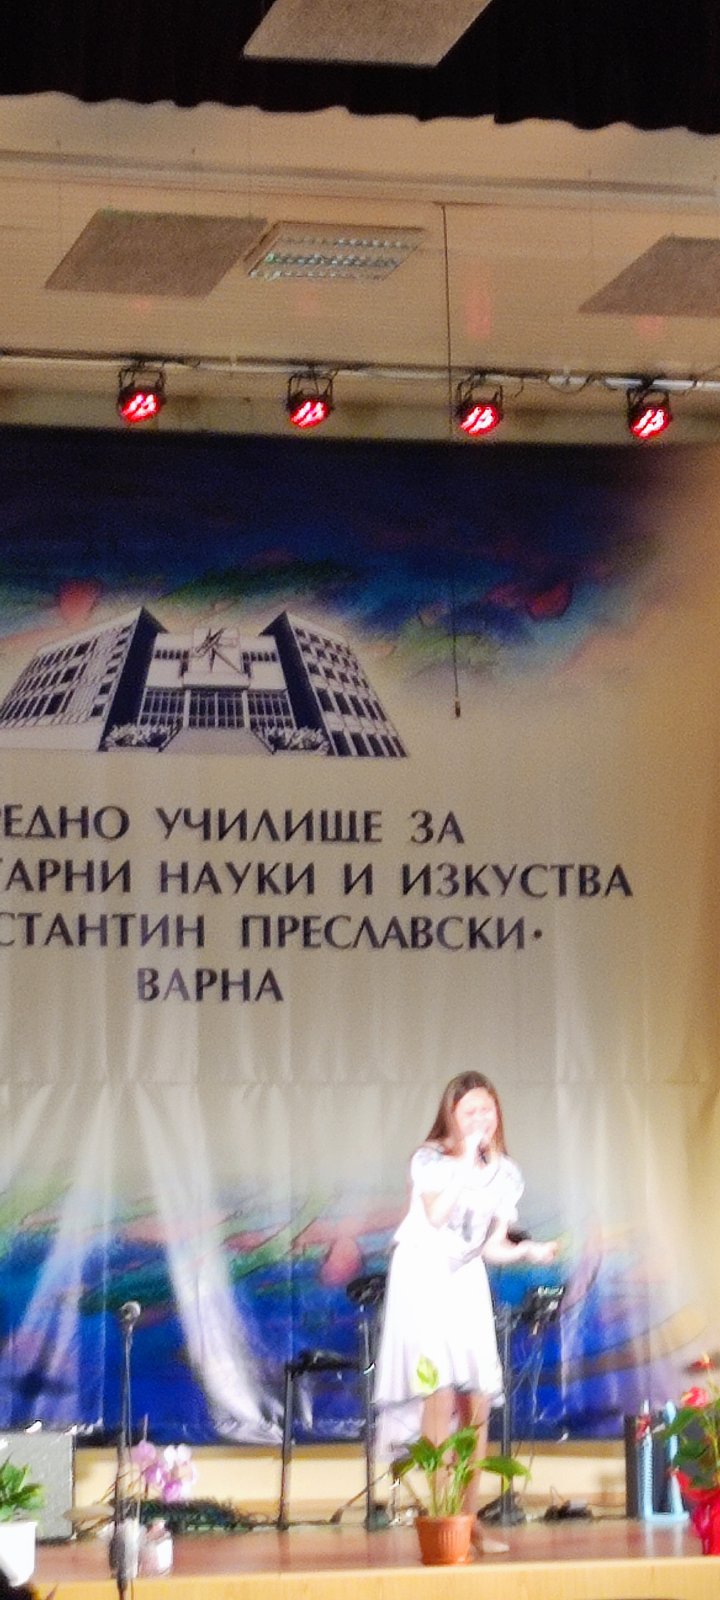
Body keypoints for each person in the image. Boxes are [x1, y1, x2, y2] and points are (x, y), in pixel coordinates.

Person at [374, 1071, 558, 1551]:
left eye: (487, 1109)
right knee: (436, 1391)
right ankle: (442, 1519)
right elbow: (436, 1217)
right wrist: (464, 1163)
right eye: (470, 1111)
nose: (481, 1118)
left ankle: (468, 1519)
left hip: (465, 1275)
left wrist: (528, 1251)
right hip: (423, 1272)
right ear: (452, 1116)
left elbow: (492, 1245)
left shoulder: (506, 1172)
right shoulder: (430, 1159)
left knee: (477, 1398)